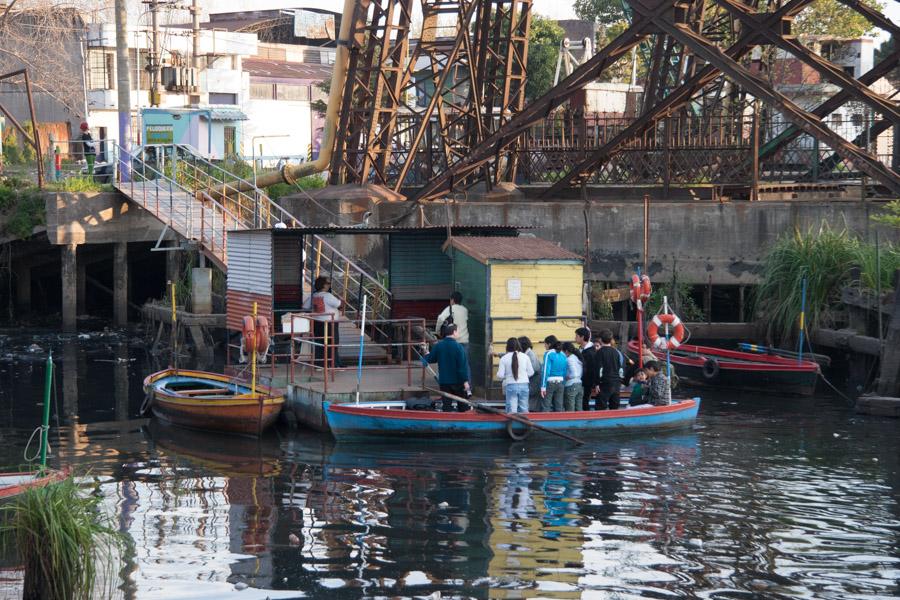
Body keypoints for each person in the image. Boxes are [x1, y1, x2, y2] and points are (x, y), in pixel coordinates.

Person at [422, 324, 471, 412]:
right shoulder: (459, 347)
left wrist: (426, 352)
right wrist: (465, 381)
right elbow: (462, 367)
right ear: (454, 332)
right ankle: (463, 421)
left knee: (447, 405)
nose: (458, 333)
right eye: (458, 331)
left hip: (444, 381)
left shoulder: (439, 346)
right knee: (463, 405)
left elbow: (430, 359)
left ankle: (446, 422)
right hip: (458, 381)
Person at [304, 276, 342, 368]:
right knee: (333, 343)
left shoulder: (314, 295)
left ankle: (320, 365)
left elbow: (305, 306)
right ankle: (334, 364)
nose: (329, 285)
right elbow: (339, 304)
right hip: (330, 323)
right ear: (324, 285)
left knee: (319, 343)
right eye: (328, 283)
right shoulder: (328, 296)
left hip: (317, 322)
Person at [497, 337, 533, 414]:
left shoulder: (504, 358)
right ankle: (525, 425)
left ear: (507, 346)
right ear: (518, 345)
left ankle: (512, 425)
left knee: (512, 411)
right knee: (524, 409)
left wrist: (507, 376)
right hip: (524, 385)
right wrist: (523, 376)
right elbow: (531, 372)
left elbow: (500, 375)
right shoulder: (525, 357)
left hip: (511, 385)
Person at [594, 329, 623, 410]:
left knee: (601, 406)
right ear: (611, 339)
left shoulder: (600, 352)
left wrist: (597, 383)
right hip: (616, 382)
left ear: (600, 339)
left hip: (605, 382)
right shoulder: (616, 352)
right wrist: (620, 380)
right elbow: (620, 368)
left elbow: (598, 369)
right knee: (614, 405)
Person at [540, 335, 567, 412]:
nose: (544, 346)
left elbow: (545, 371)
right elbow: (565, 371)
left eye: (545, 344)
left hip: (549, 382)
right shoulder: (563, 354)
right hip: (561, 382)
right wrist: (563, 383)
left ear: (549, 344)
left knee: (546, 406)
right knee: (559, 406)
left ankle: (545, 423)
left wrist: (543, 386)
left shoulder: (548, 354)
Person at [518, 336, 542, 409]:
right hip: (532, 382)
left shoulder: (530, 355)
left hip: (534, 383)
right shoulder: (527, 354)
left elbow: (534, 368)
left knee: (530, 403)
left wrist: (523, 376)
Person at [576, 327, 595, 411]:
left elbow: (590, 369)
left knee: (584, 401)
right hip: (580, 381)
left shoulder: (590, 352)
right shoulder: (581, 349)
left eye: (576, 336)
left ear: (582, 337)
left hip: (586, 382)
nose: (575, 338)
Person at [562, 342, 583, 412]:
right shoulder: (576, 357)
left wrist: (567, 377)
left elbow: (574, 373)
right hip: (579, 384)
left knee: (570, 408)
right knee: (579, 407)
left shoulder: (569, 359)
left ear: (566, 351)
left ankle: (571, 423)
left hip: (571, 385)